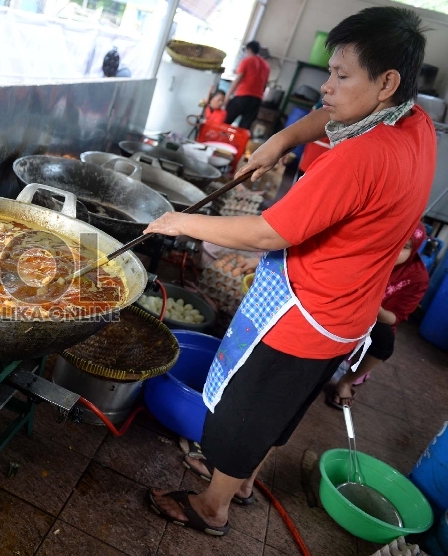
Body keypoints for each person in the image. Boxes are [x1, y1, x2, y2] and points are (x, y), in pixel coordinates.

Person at [144, 6, 435, 537]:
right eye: (329, 72)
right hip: (345, 315)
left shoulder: (361, 157)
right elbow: (331, 117)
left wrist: (180, 222)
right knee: (279, 408)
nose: (325, 88)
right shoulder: (412, 124)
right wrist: (280, 141)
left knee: (243, 412)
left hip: (306, 310)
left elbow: (267, 233)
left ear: (386, 82)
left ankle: (213, 505)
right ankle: (246, 479)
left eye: (340, 76)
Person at [326, 224, 430, 408]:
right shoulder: (368, 252)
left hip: (374, 319)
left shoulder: (417, 278)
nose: (396, 250)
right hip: (341, 308)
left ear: (414, 250)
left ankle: (346, 381)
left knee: (385, 339)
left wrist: (373, 306)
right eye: (395, 241)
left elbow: (393, 318)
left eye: (405, 247)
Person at [223, 41, 270, 129]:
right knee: (244, 128)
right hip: (256, 100)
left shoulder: (247, 61)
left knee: (225, 121)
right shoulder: (266, 66)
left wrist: (228, 95)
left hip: (242, 96)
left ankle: (217, 141)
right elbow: (264, 85)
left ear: (249, 50)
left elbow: (238, 79)